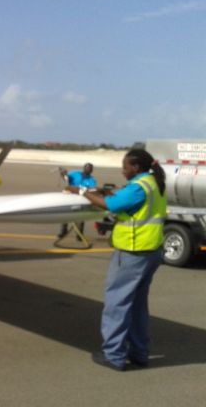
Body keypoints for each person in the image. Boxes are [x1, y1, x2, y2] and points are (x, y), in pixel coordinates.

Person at [66, 149, 167, 371]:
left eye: (125, 167)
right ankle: (139, 353)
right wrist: (104, 192)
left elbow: (110, 206)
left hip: (133, 252)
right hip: (151, 251)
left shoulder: (139, 187)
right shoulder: (153, 183)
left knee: (117, 304)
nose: (123, 171)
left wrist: (82, 191)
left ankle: (114, 355)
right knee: (138, 306)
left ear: (136, 168)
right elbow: (124, 201)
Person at [58, 163, 97, 239]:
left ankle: (79, 234)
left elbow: (92, 190)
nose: (88, 170)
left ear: (91, 171)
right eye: (87, 168)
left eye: (89, 169)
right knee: (66, 214)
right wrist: (63, 173)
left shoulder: (91, 180)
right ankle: (63, 231)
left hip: (81, 199)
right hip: (70, 197)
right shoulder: (75, 174)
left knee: (81, 217)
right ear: (84, 168)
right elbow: (66, 178)